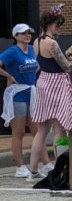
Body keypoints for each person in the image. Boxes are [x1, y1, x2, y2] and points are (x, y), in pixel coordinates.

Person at [27, 7, 72, 180]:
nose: (58, 28)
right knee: (59, 128)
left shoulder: (37, 41)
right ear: (50, 24)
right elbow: (66, 66)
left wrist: (71, 52)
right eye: (57, 25)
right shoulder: (51, 43)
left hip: (43, 82)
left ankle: (32, 170)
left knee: (42, 130)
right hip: (56, 84)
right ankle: (61, 169)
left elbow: (55, 59)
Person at [0, 24, 40, 178]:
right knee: (19, 131)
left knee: (37, 130)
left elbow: (37, 66)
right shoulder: (12, 52)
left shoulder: (32, 50)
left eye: (29, 33)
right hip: (18, 94)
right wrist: (8, 75)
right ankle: (20, 166)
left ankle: (36, 164)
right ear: (16, 36)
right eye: (24, 33)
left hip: (32, 92)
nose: (27, 36)